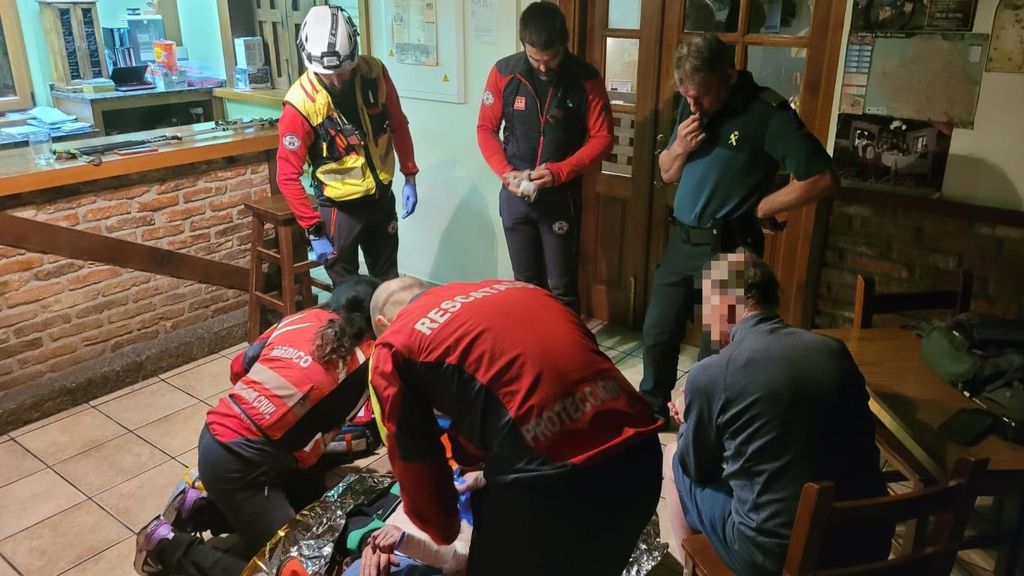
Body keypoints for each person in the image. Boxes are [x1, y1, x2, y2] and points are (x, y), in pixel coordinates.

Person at [367, 277, 662, 576]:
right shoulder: (516, 288)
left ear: (383, 322)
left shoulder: (394, 345)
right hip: (640, 453)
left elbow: (419, 469)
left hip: (550, 487)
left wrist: (441, 523)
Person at [639, 32, 838, 422]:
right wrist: (679, 147)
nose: (692, 104)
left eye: (700, 95)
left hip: (729, 248)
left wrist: (762, 205)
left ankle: (704, 426)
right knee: (657, 333)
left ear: (728, 76)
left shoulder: (768, 113)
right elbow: (665, 173)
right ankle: (651, 416)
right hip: (682, 240)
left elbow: (822, 178)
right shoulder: (693, 105)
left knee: (718, 350)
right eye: (685, 95)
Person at [134, 275, 381, 576]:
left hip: (217, 434)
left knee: (305, 498)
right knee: (293, 569)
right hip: (243, 465)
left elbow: (239, 366)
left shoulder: (300, 319)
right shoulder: (369, 358)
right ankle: (166, 547)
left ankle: (200, 507)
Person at [662, 252, 889, 574]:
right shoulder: (833, 350)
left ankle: (691, 569)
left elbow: (697, 467)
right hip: (865, 539)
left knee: (673, 457)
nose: (703, 321)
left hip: (772, 556)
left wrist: (689, 418)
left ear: (726, 304)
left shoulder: (710, 374)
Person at [476, 1, 613, 313]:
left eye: (549, 58)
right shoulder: (503, 72)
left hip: (559, 197)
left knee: (562, 287)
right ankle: (531, 354)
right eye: (534, 57)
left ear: (563, 43)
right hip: (515, 195)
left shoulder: (585, 78)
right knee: (524, 284)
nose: (542, 66)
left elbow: (603, 138)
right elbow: (485, 129)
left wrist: (560, 172)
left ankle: (567, 358)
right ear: (524, 45)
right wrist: (505, 172)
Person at [278, 5, 419, 287]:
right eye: (328, 75)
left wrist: (410, 175)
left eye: (343, 70)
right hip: (339, 211)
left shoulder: (374, 73)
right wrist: (313, 230)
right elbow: (286, 175)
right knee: (348, 293)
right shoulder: (299, 105)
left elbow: (398, 124)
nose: (338, 79)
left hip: (380, 198)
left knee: (388, 283)